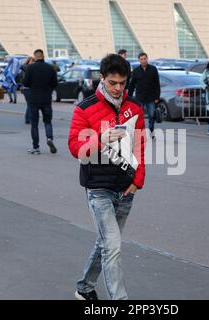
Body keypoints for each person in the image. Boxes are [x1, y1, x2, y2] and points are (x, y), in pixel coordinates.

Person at [68, 54, 145, 300]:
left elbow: (140, 147)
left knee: (105, 244)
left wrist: (137, 181)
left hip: (125, 189)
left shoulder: (134, 107)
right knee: (112, 246)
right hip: (98, 187)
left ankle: (84, 288)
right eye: (113, 82)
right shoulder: (85, 108)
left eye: (123, 83)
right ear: (102, 78)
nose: (118, 88)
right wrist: (99, 138)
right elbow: (74, 148)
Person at [22, 49, 58, 154]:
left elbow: (25, 83)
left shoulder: (31, 68)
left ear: (35, 57)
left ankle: (36, 148)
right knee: (47, 121)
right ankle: (49, 138)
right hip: (46, 99)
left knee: (34, 124)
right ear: (43, 56)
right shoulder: (50, 68)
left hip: (33, 99)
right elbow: (55, 83)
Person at [128, 52, 160, 139]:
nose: (143, 61)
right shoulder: (136, 71)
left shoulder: (153, 69)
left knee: (152, 115)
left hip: (151, 97)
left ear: (147, 59)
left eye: (144, 59)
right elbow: (132, 85)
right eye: (141, 59)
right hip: (139, 97)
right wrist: (129, 97)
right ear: (139, 60)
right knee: (139, 116)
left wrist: (157, 97)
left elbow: (157, 84)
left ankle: (151, 130)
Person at [19, 57, 35, 124]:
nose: (33, 63)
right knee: (31, 104)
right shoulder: (26, 68)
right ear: (28, 62)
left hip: (29, 89)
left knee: (30, 104)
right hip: (27, 89)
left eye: (34, 61)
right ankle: (29, 119)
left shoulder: (29, 68)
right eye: (32, 61)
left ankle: (28, 119)